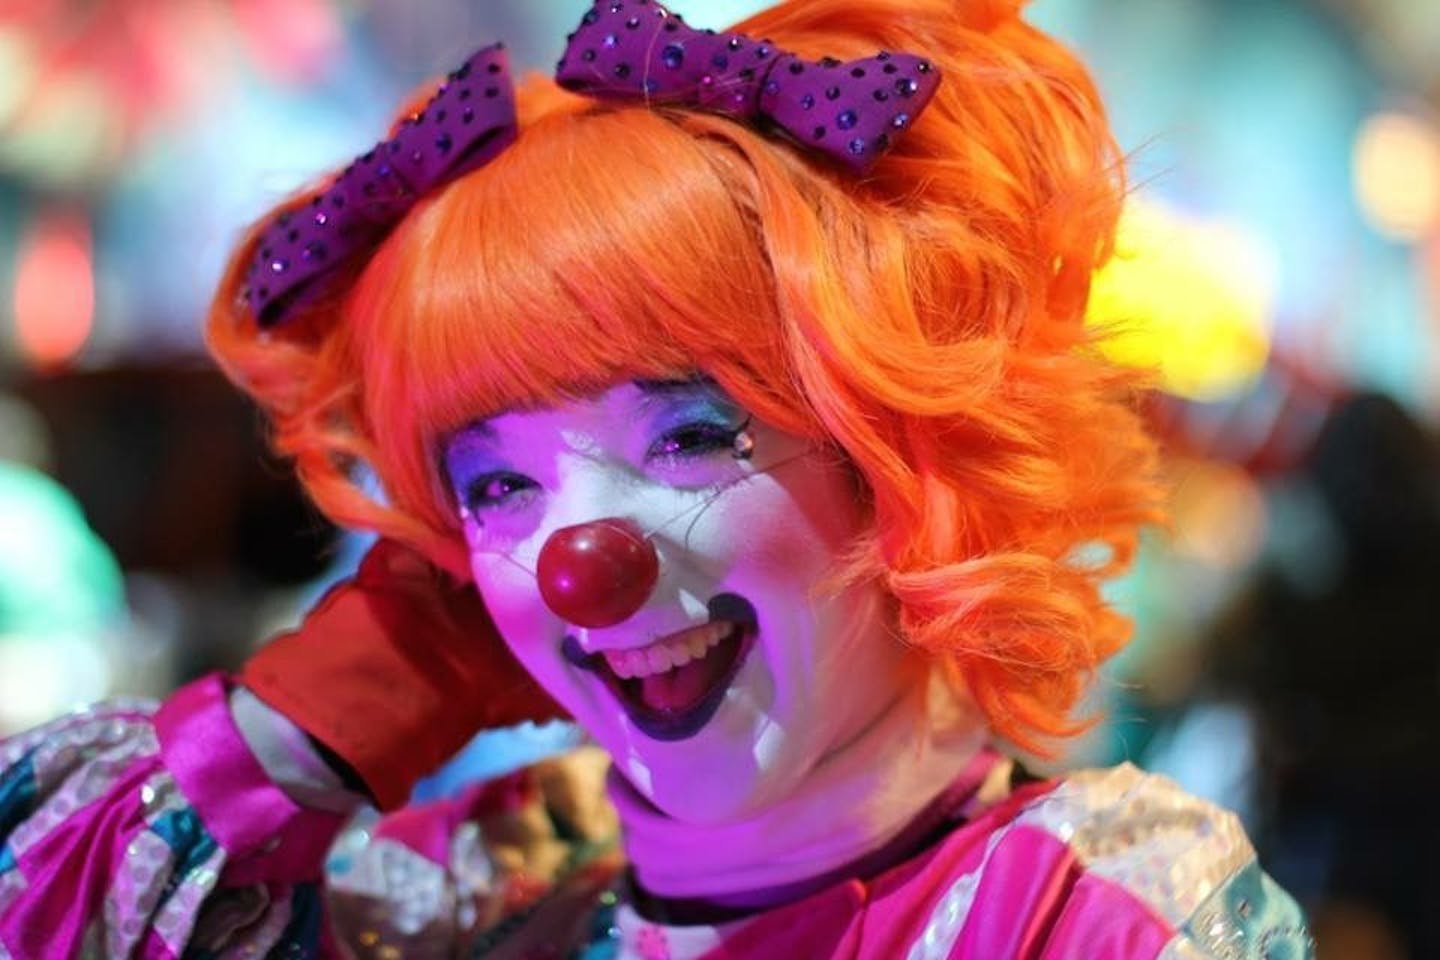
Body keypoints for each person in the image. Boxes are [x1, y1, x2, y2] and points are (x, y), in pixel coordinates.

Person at [0, 0, 1313, 956]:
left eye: (690, 437)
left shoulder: (1093, 912)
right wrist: (329, 701)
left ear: (893, 458)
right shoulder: (486, 881)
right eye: (496, 487)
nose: (583, 559)